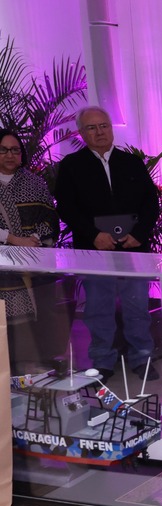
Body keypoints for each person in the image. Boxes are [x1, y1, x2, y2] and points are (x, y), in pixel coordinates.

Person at [55, 106, 160, 382]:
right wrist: (93, 235)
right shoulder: (72, 166)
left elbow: (151, 202)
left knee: (137, 307)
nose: (99, 132)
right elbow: (66, 207)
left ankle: (142, 358)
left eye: (104, 126)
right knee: (98, 309)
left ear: (111, 128)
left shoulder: (131, 162)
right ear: (81, 132)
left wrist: (139, 233)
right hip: (94, 252)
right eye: (92, 127)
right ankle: (102, 362)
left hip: (134, 250)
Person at [0, 128, 61, 371]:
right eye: (3, 150)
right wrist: (12, 239)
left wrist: (34, 238)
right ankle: (7, 369)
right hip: (3, 264)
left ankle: (37, 364)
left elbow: (50, 217)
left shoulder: (35, 182)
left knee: (40, 316)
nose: (10, 155)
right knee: (4, 320)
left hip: (34, 262)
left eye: (15, 150)